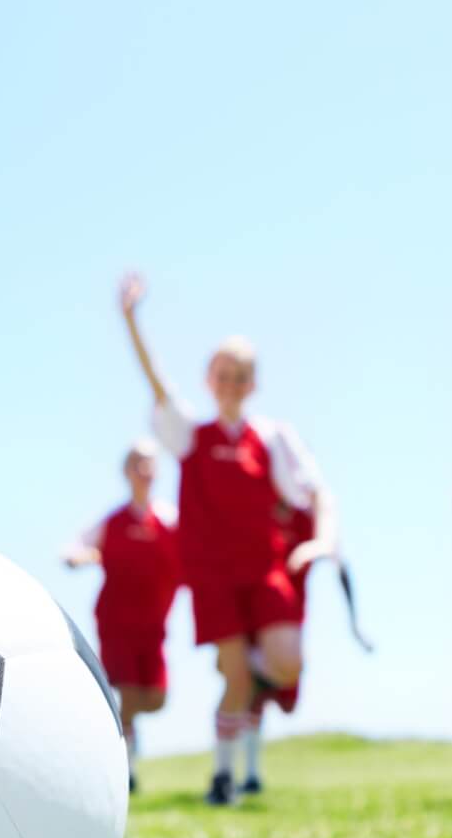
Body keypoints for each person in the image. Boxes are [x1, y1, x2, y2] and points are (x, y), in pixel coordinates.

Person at [115, 272, 337, 806]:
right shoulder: (191, 435)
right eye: (224, 374)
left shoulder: (272, 439)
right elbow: (158, 385)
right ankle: (222, 778)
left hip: (265, 570)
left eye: (242, 376)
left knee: (287, 664)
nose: (232, 383)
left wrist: (321, 541)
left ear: (253, 383)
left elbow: (317, 493)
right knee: (234, 676)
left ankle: (255, 669)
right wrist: (131, 321)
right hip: (214, 577)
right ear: (210, 379)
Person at [63, 440, 181, 791]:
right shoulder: (112, 522)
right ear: (127, 472)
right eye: (137, 464)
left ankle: (120, 731)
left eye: (149, 464)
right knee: (127, 688)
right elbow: (76, 547)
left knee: (157, 698)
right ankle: (125, 770)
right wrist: (81, 557)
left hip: (155, 624)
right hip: (118, 620)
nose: (144, 471)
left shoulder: (170, 522)